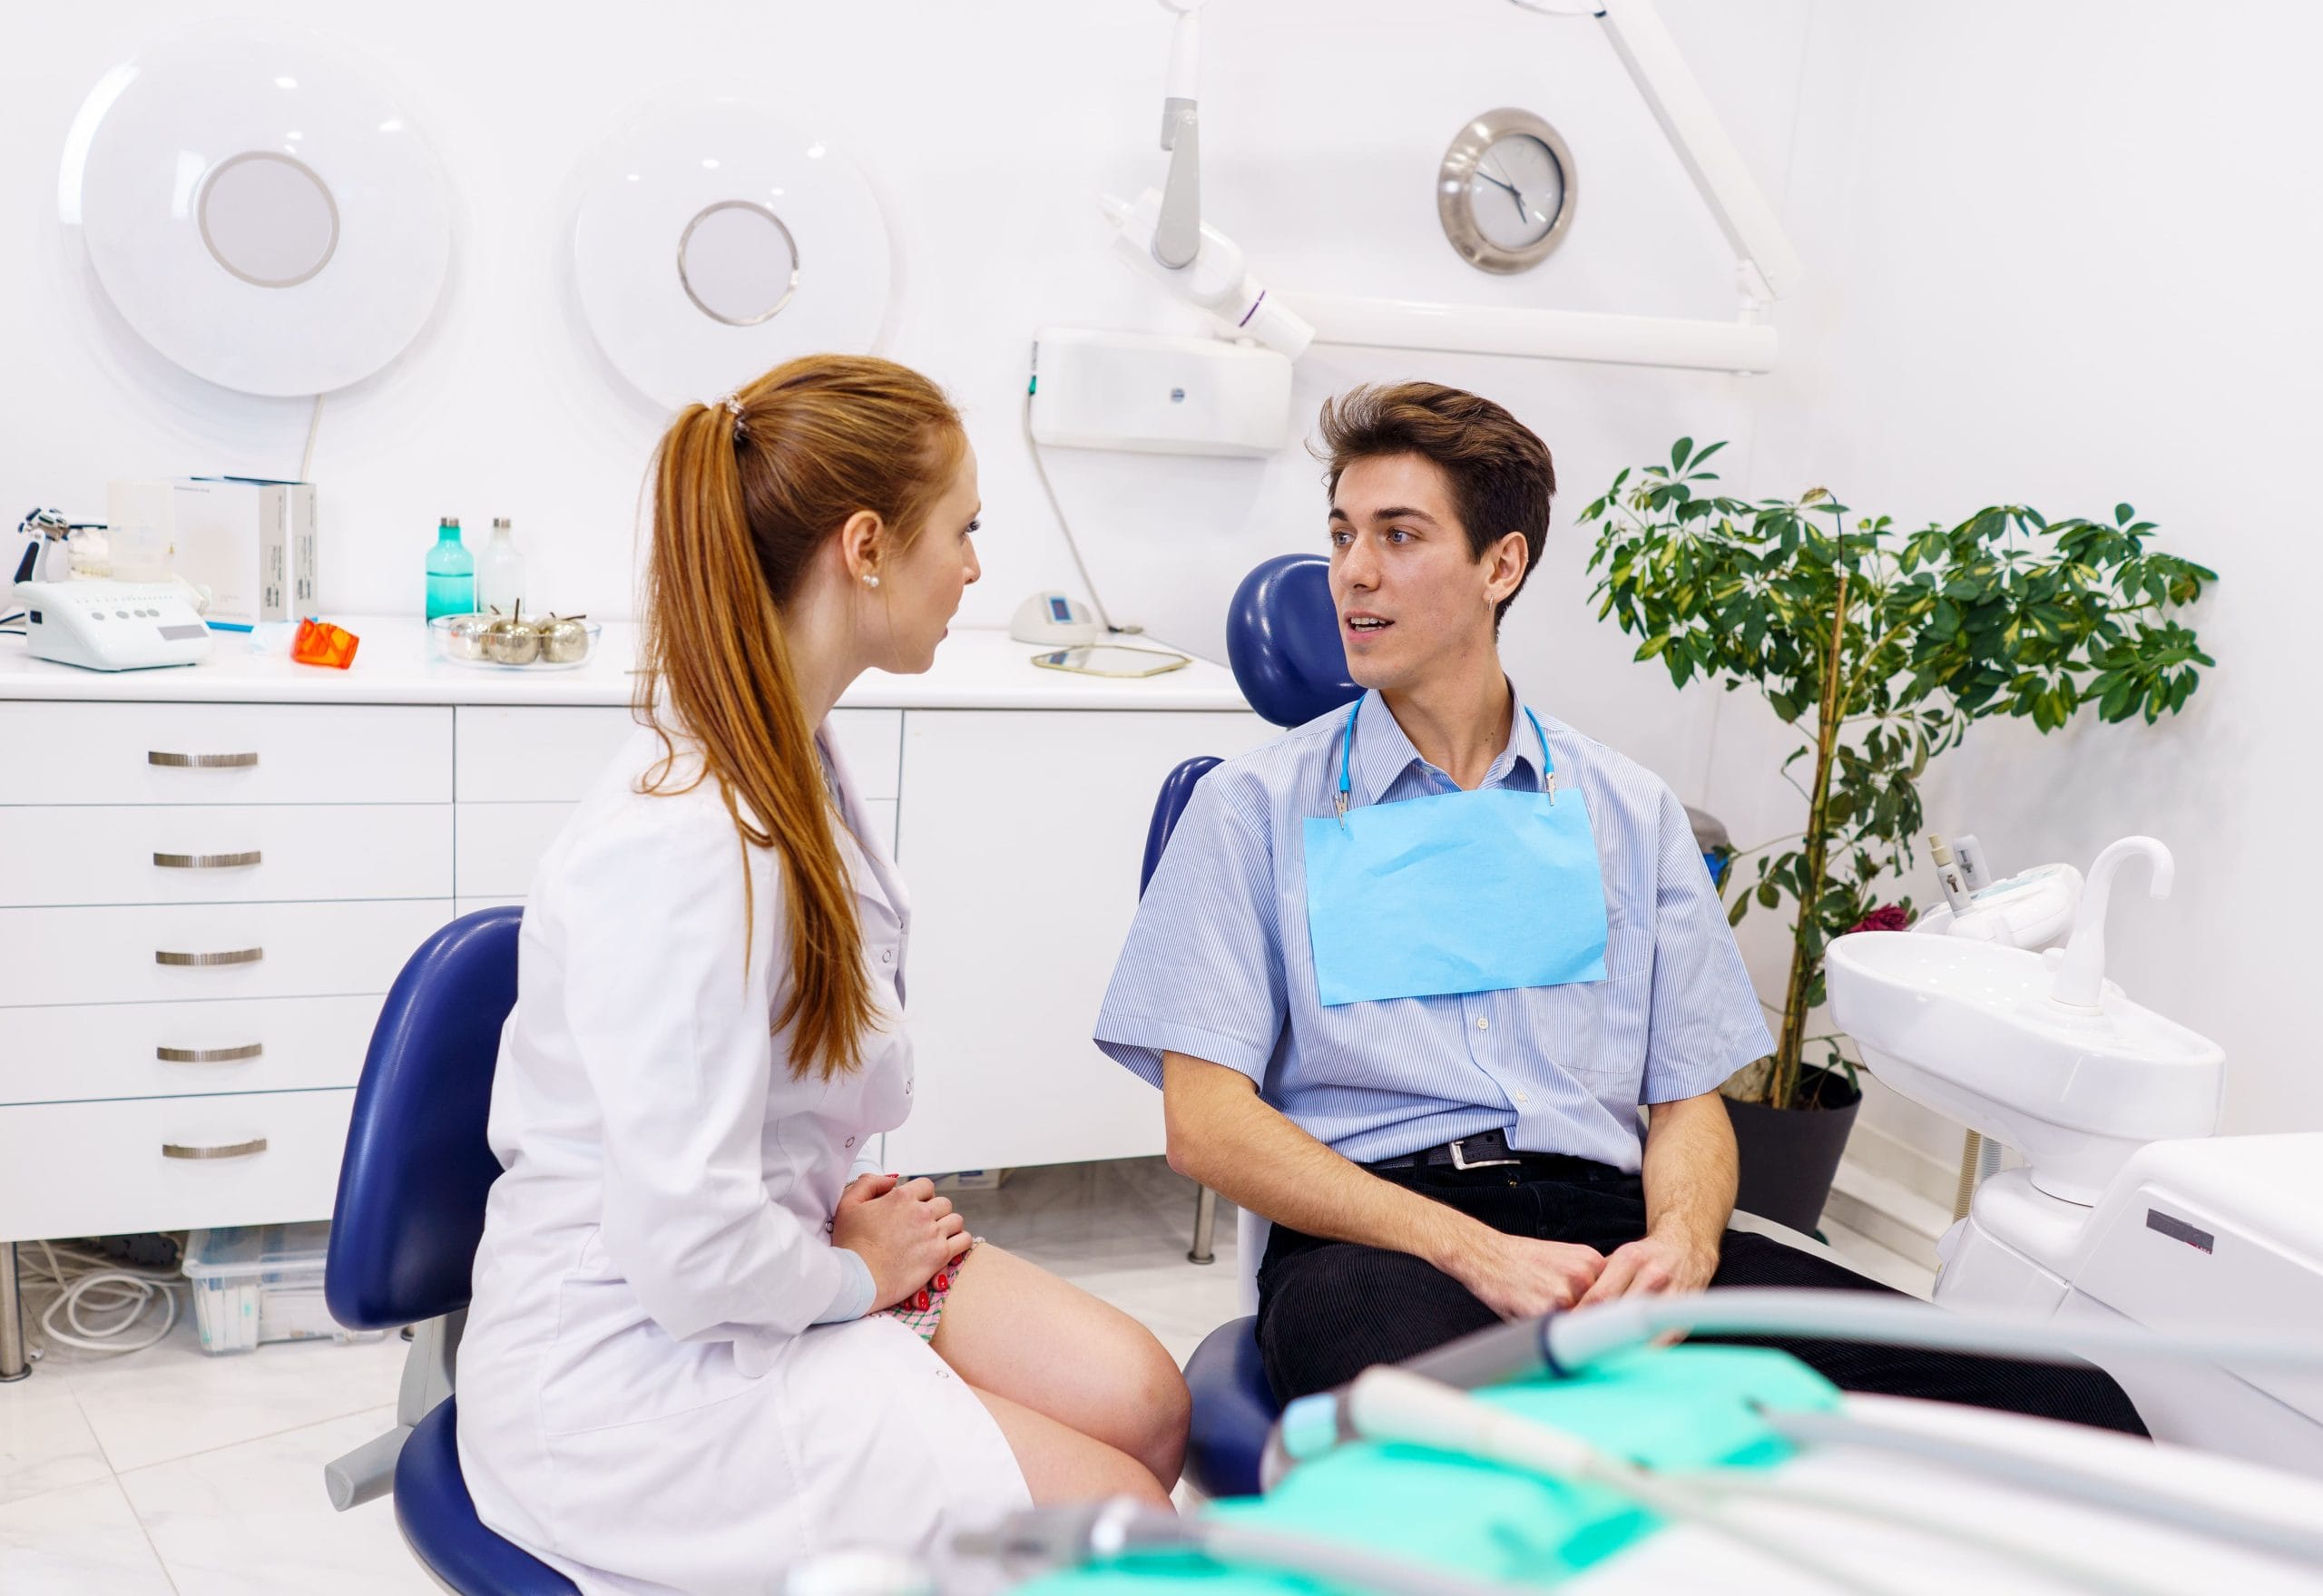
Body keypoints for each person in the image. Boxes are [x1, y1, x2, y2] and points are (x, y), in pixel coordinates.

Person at [1093, 380, 2143, 1434]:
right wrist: (1469, 1247)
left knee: (2067, 1403)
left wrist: (1683, 1246)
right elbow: (1207, 1124)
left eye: (1398, 535)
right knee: (1475, 1459)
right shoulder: (1253, 810)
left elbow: (1687, 1098)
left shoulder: (1623, 811)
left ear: (1500, 565)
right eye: (1342, 534)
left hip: (1611, 1223)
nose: (1353, 573)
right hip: (1383, 1243)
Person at [458, 356, 1191, 1596]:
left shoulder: (792, 752)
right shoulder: (687, 845)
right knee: (1128, 1530)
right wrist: (857, 1276)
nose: (972, 567)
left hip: (778, 1239)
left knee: (1144, 1398)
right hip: (638, 1370)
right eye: (962, 530)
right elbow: (682, 1247)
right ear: (865, 546)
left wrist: (840, 1232)